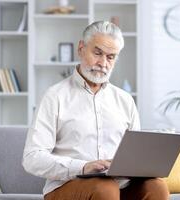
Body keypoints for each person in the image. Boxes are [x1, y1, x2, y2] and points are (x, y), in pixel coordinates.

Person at [22, 21, 169, 200]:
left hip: (118, 186)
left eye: (111, 57)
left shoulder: (125, 100)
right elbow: (32, 158)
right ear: (81, 48)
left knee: (157, 187)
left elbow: (134, 155)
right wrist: (83, 167)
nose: (103, 63)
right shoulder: (55, 96)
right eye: (97, 53)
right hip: (67, 187)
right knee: (105, 188)